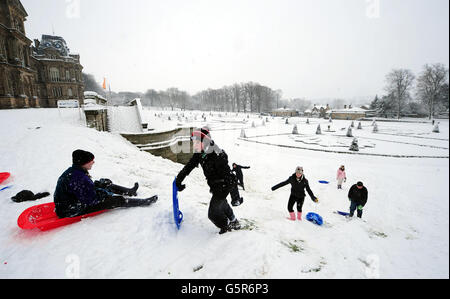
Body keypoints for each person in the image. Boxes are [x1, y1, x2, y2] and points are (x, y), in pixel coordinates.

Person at [54, 149, 157, 218]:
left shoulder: (76, 171)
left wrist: (100, 186)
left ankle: (130, 191)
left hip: (74, 200)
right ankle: (144, 202)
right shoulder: (79, 178)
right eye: (91, 161)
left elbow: (83, 189)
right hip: (70, 209)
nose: (93, 162)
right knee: (114, 200)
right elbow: (91, 200)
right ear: (84, 163)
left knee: (105, 185)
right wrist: (104, 193)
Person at [175, 128, 241, 234]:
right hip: (215, 186)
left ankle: (226, 225)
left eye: (197, 142)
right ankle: (234, 221)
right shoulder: (200, 153)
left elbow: (229, 175)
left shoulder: (215, 153)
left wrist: (235, 196)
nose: (194, 145)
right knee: (221, 203)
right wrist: (179, 180)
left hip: (223, 186)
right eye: (194, 143)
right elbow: (189, 166)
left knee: (213, 214)